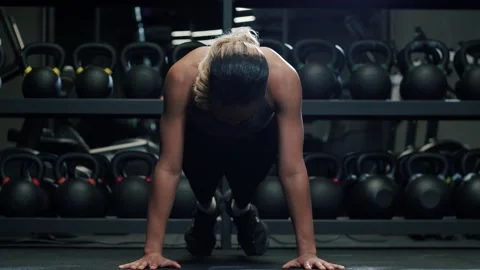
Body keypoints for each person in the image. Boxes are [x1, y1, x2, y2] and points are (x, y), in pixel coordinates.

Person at [119, 27, 344, 270]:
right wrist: (152, 252)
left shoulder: (282, 78)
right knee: (202, 187)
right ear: (210, 96)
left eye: (242, 118)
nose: (233, 124)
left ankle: (241, 208)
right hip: (200, 141)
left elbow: (293, 169)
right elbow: (169, 167)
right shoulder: (183, 77)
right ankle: (208, 208)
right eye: (227, 117)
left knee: (246, 186)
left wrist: (308, 253)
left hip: (255, 142)